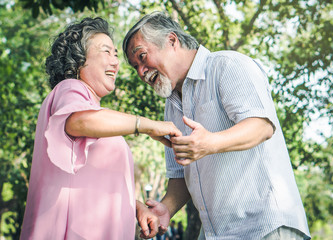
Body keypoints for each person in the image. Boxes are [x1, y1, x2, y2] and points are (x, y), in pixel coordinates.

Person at [122, 11, 311, 240]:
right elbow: (180, 173)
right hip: (216, 233)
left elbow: (261, 126)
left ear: (171, 41)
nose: (141, 72)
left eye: (142, 56)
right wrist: (166, 209)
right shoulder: (171, 105)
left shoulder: (227, 65)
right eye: (135, 67)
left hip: (266, 227)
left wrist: (211, 142)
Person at [20, 17, 181, 240]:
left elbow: (87, 184)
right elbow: (80, 122)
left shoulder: (92, 110)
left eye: (115, 55)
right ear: (78, 60)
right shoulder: (70, 88)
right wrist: (149, 126)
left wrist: (134, 207)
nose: (116, 63)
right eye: (106, 52)